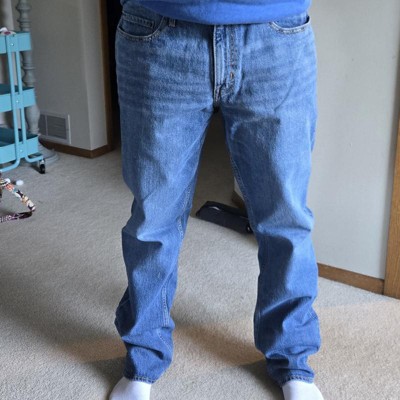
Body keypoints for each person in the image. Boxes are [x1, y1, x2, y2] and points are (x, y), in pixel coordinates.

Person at [110, 1, 324, 399]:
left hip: (276, 31)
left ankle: (293, 359)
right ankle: (143, 358)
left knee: (286, 216)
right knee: (153, 217)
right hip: (158, 29)